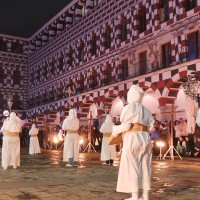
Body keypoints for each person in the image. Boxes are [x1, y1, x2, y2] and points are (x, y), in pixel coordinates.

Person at [112, 85, 155, 200]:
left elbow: (126, 125)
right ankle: (145, 196)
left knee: (133, 166)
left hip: (132, 138)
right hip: (145, 138)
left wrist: (115, 130)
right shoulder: (147, 110)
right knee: (146, 167)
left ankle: (135, 196)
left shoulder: (128, 108)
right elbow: (151, 128)